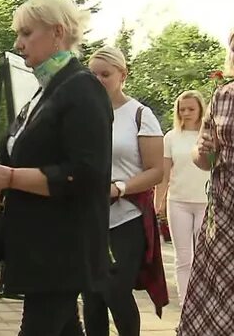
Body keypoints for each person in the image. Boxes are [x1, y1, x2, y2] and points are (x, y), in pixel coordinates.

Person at [0, 0, 112, 336]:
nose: (19, 43)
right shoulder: (45, 91)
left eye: (27, 33)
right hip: (42, 246)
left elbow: (86, 174)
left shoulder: (82, 89)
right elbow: (27, 162)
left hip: (63, 248)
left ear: (57, 32)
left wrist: (9, 178)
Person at [86, 45, 167, 336]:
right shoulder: (82, 114)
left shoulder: (140, 115)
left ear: (123, 75)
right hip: (89, 218)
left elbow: (156, 170)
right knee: (92, 297)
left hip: (127, 218)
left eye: (105, 74)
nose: (98, 80)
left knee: (116, 292)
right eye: (92, 74)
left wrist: (120, 188)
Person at [178, 29, 234, 335]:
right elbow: (201, 158)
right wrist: (202, 152)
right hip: (224, 215)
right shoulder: (222, 96)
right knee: (218, 296)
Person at [154, 90, 209, 304]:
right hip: (178, 202)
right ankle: (186, 304)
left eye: (191, 109)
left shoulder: (209, 135)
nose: (186, 113)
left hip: (205, 202)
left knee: (203, 256)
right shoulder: (171, 137)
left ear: (200, 110)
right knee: (183, 257)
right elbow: (164, 173)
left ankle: (204, 302)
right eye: (182, 109)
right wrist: (158, 201)